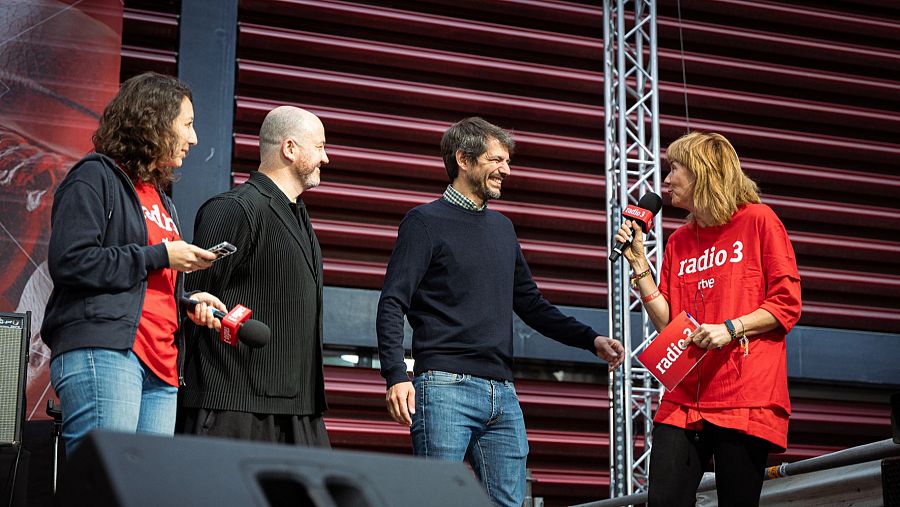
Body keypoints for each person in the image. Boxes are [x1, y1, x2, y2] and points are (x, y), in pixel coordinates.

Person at [376, 117, 626, 507]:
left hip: (503, 392)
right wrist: (396, 375)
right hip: (443, 388)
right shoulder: (423, 222)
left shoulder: (503, 228)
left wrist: (589, 339)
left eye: (507, 161)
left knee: (509, 503)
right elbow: (393, 301)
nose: (506, 170)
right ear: (463, 158)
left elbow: (531, 304)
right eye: (496, 160)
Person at [41, 72, 226, 456]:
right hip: (107, 352)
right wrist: (161, 255)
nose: (194, 139)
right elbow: (70, 261)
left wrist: (187, 302)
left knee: (140, 491)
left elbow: (143, 283)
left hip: (161, 368)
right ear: (154, 121)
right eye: (188, 124)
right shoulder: (94, 177)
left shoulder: (161, 198)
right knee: (103, 485)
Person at [613, 132, 802, 507]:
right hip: (685, 397)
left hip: (743, 395)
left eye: (674, 169)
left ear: (703, 173)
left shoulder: (759, 221)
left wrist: (729, 329)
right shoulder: (680, 240)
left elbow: (786, 303)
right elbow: (670, 324)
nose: (664, 181)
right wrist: (638, 263)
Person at [178, 106, 330, 447]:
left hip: (297, 409)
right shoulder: (234, 208)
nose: (326, 158)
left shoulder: (299, 216)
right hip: (232, 408)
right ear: (289, 149)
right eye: (319, 146)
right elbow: (192, 303)